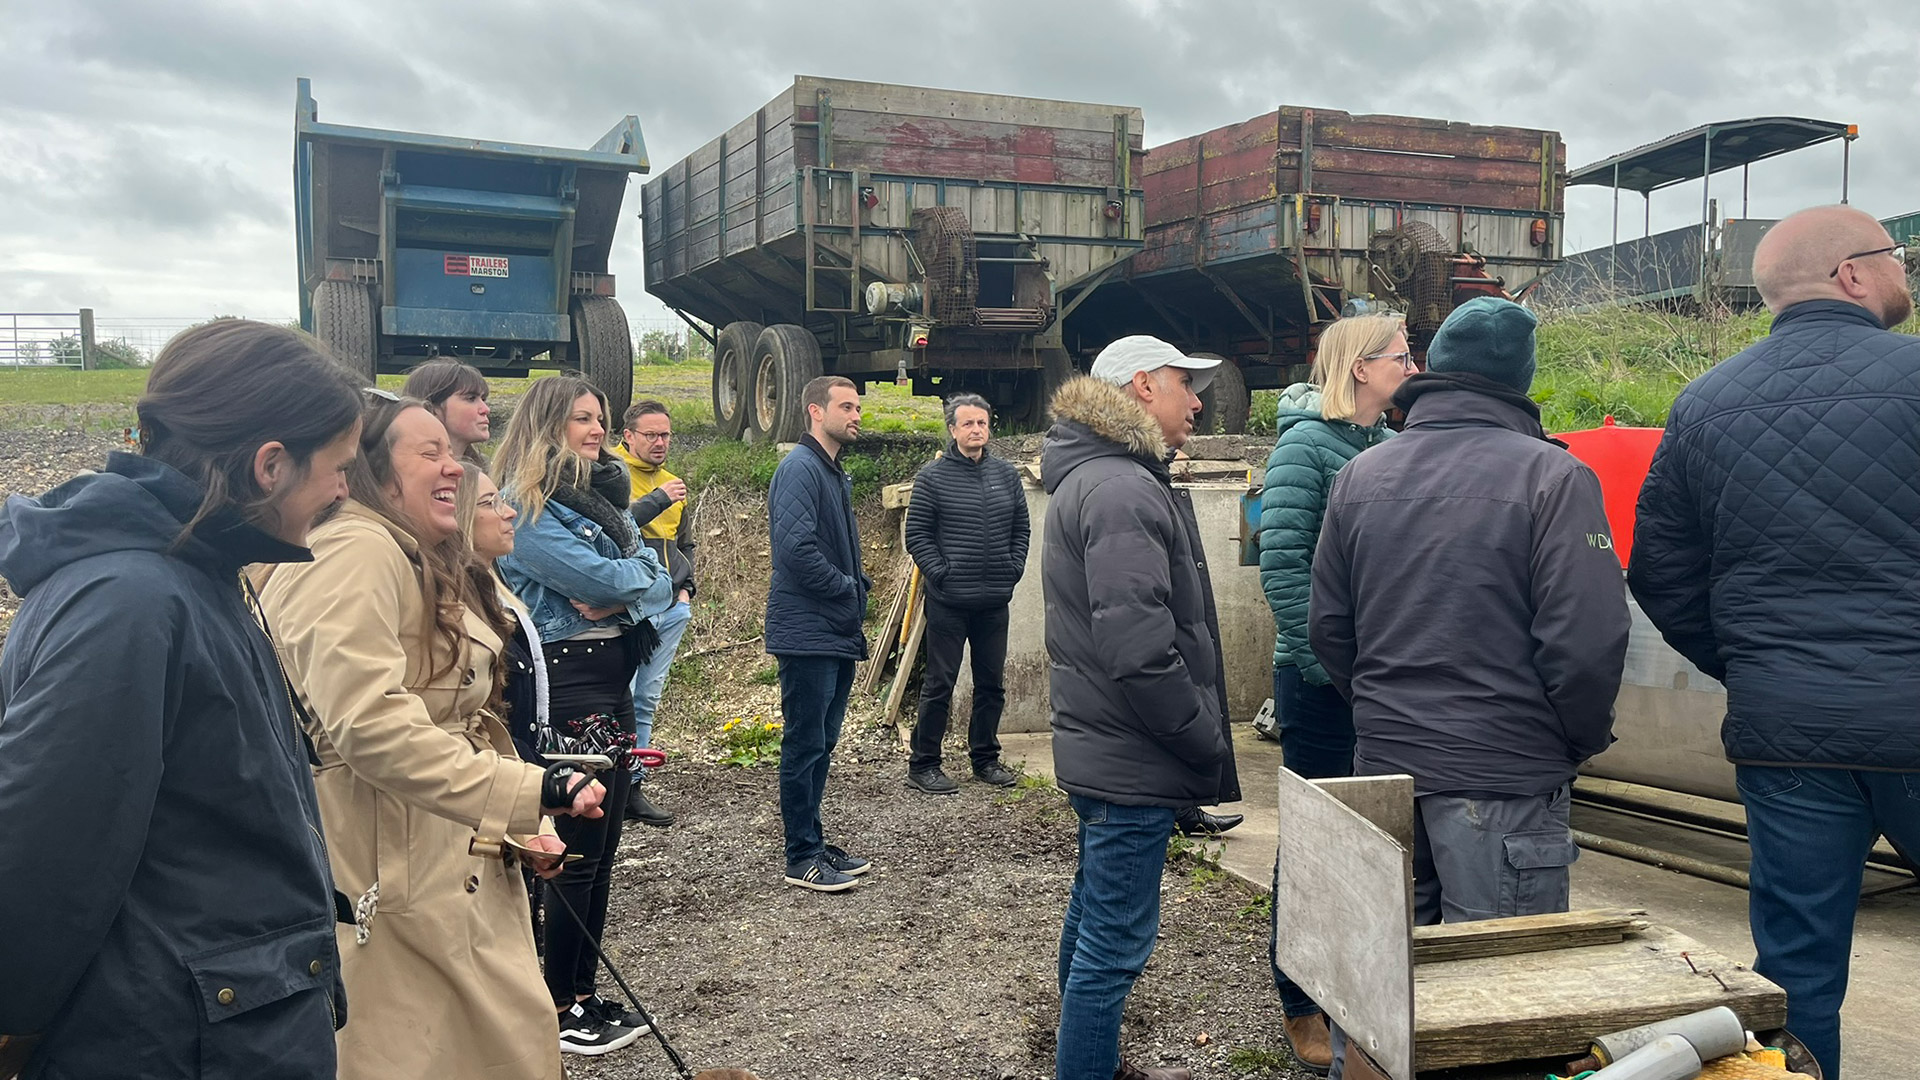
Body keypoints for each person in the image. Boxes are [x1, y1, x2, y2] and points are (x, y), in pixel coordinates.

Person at [0, 320, 357, 1079]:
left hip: (215, 1031)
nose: (342, 490)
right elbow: (42, 852)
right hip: (173, 1048)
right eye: (336, 466)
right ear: (270, 464)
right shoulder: (132, 602)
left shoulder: (195, 580)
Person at [1628, 205, 1920, 1080]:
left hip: (1787, 731)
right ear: (1854, 273)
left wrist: (1758, 664)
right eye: (1898, 256)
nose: (1906, 271)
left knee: (1794, 973)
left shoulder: (1706, 402)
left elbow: (1661, 573)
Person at [255, 389, 606, 1080]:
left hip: (441, 863)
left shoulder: (402, 550)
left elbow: (450, 720)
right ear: (371, 472)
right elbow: (369, 728)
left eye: (454, 453)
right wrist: (529, 789)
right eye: (431, 452)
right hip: (394, 884)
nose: (456, 469)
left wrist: (511, 823)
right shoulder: (354, 551)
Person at [1310, 296, 1628, 925]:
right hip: (1504, 771)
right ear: (1521, 380)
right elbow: (1588, 638)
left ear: (1435, 366)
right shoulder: (1554, 476)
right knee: (1497, 995)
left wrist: (1385, 711)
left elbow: (1329, 627)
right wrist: (1575, 739)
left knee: (1385, 982)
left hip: (1388, 766)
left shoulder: (1361, 475)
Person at [1041, 335, 1241, 1080]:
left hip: (1107, 748)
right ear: (1140, 388)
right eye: (1185, 384)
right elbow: (1139, 647)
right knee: (1114, 944)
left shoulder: (1104, 478)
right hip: (1132, 755)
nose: (1198, 400)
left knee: (1094, 913)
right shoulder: (1122, 488)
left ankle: (1091, 1059)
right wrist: (1199, 737)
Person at [492, 376, 674, 1054]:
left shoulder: (599, 503)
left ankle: (583, 992)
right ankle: (557, 1006)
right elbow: (609, 582)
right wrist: (637, 581)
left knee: (601, 855)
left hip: (610, 678)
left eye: (599, 418)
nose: (596, 430)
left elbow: (660, 575)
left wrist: (635, 583)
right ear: (547, 425)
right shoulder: (526, 505)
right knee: (571, 853)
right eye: (580, 419)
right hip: (568, 686)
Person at [1255, 313, 1406, 1073]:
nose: (1410, 367)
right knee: (1315, 845)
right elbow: (1282, 570)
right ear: (1359, 369)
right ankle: (1297, 1001)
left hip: (1373, 678)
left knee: (1369, 842)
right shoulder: (1304, 447)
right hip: (1318, 680)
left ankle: (1350, 988)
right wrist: (1330, 668)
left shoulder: (1383, 445)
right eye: (1399, 356)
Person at [766, 375, 875, 892]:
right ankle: (800, 856)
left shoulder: (830, 471)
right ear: (815, 410)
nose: (857, 415)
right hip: (808, 630)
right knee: (805, 743)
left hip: (832, 628)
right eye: (847, 406)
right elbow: (797, 551)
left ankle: (813, 839)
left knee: (822, 743)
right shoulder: (801, 469)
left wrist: (855, 588)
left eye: (858, 407)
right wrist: (848, 590)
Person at [902, 392, 1029, 794]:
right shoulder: (932, 478)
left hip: (994, 601)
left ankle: (985, 760)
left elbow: (1020, 530)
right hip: (950, 603)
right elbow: (917, 535)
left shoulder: (1006, 475)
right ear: (953, 429)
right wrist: (943, 574)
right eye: (969, 423)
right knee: (940, 682)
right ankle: (923, 765)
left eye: (983, 423)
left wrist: (1012, 570)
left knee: (992, 684)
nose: (977, 430)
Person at [611, 398, 697, 828]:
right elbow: (613, 527)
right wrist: (659, 499)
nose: (660, 442)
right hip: (628, 610)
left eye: (665, 435)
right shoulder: (611, 475)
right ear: (628, 436)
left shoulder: (673, 482)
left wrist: (687, 590)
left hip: (671, 608)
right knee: (619, 695)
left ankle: (633, 788)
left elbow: (686, 543)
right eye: (651, 435)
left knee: (646, 697)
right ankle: (606, 785)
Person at [402, 358, 492, 465]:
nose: (486, 409)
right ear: (432, 408)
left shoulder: (487, 472)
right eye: (471, 398)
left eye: (483, 399)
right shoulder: (406, 473)